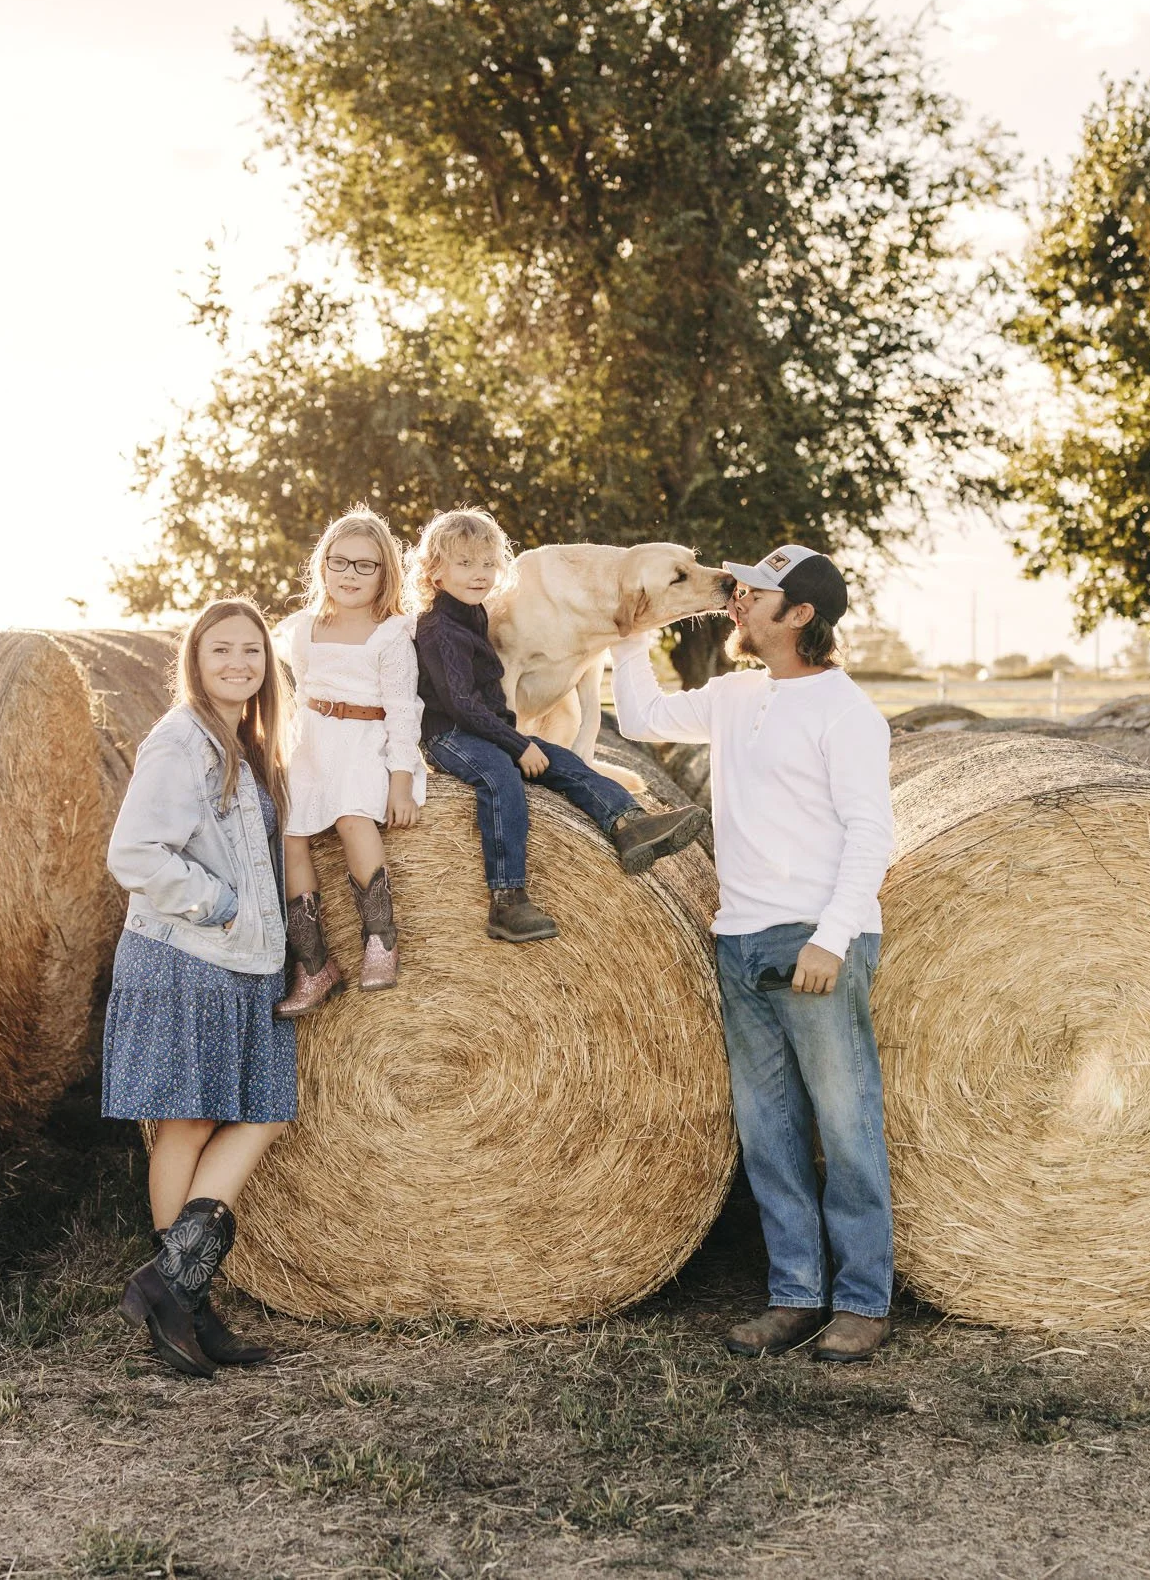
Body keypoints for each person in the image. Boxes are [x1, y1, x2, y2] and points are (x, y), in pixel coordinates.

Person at [611, 545, 897, 1362]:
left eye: (754, 592)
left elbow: (871, 832)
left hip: (814, 939)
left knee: (845, 1126)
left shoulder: (846, 712)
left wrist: (832, 936)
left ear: (800, 614)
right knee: (767, 1128)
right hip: (737, 935)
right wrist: (628, 642)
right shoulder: (739, 695)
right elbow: (641, 720)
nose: (735, 600)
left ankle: (863, 1300)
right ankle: (796, 1293)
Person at [101, 598, 296, 1378]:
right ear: (196, 657)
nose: (239, 663)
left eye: (252, 651)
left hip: (241, 958)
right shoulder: (181, 738)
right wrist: (224, 904)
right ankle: (180, 1298)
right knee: (187, 1122)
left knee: (259, 1112)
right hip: (188, 950)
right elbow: (135, 851)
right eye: (222, 650)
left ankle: (174, 1290)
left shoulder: (248, 743)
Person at [411, 508, 708, 942]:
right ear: (435, 573)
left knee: (565, 762)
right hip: (448, 734)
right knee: (501, 780)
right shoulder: (439, 628)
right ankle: (507, 898)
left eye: (488, 564)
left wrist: (519, 740)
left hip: (485, 727)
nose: (480, 574)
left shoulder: (473, 613)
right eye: (465, 564)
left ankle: (629, 824)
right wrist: (516, 744)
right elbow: (460, 704)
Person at [273, 508, 424, 1016]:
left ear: (386, 573)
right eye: (340, 562)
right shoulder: (304, 628)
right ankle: (314, 964)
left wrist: (400, 782)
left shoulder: (391, 634)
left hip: (367, 740)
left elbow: (404, 710)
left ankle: (380, 937)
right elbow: (301, 694)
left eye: (365, 565)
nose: (350, 575)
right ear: (322, 566)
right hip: (313, 740)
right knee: (291, 835)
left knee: (352, 817)